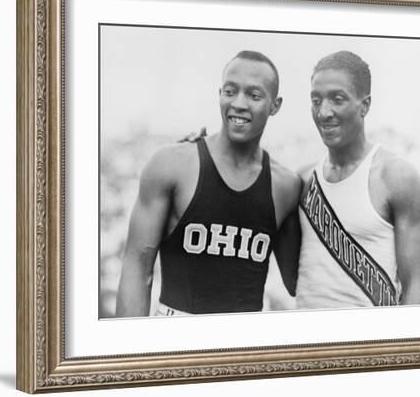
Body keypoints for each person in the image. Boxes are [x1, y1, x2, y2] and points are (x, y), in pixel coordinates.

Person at [115, 50, 302, 317]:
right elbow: (137, 268)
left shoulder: (286, 186)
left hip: (245, 346)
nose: (239, 103)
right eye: (230, 91)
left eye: (254, 95)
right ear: (219, 94)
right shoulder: (173, 164)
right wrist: (130, 353)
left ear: (275, 105)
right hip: (175, 340)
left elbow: (299, 282)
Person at [296, 50, 420, 308]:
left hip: (371, 343)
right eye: (316, 100)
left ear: (364, 105)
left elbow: (416, 289)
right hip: (307, 341)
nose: (324, 112)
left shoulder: (396, 177)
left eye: (337, 99)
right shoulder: (302, 181)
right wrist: (196, 152)